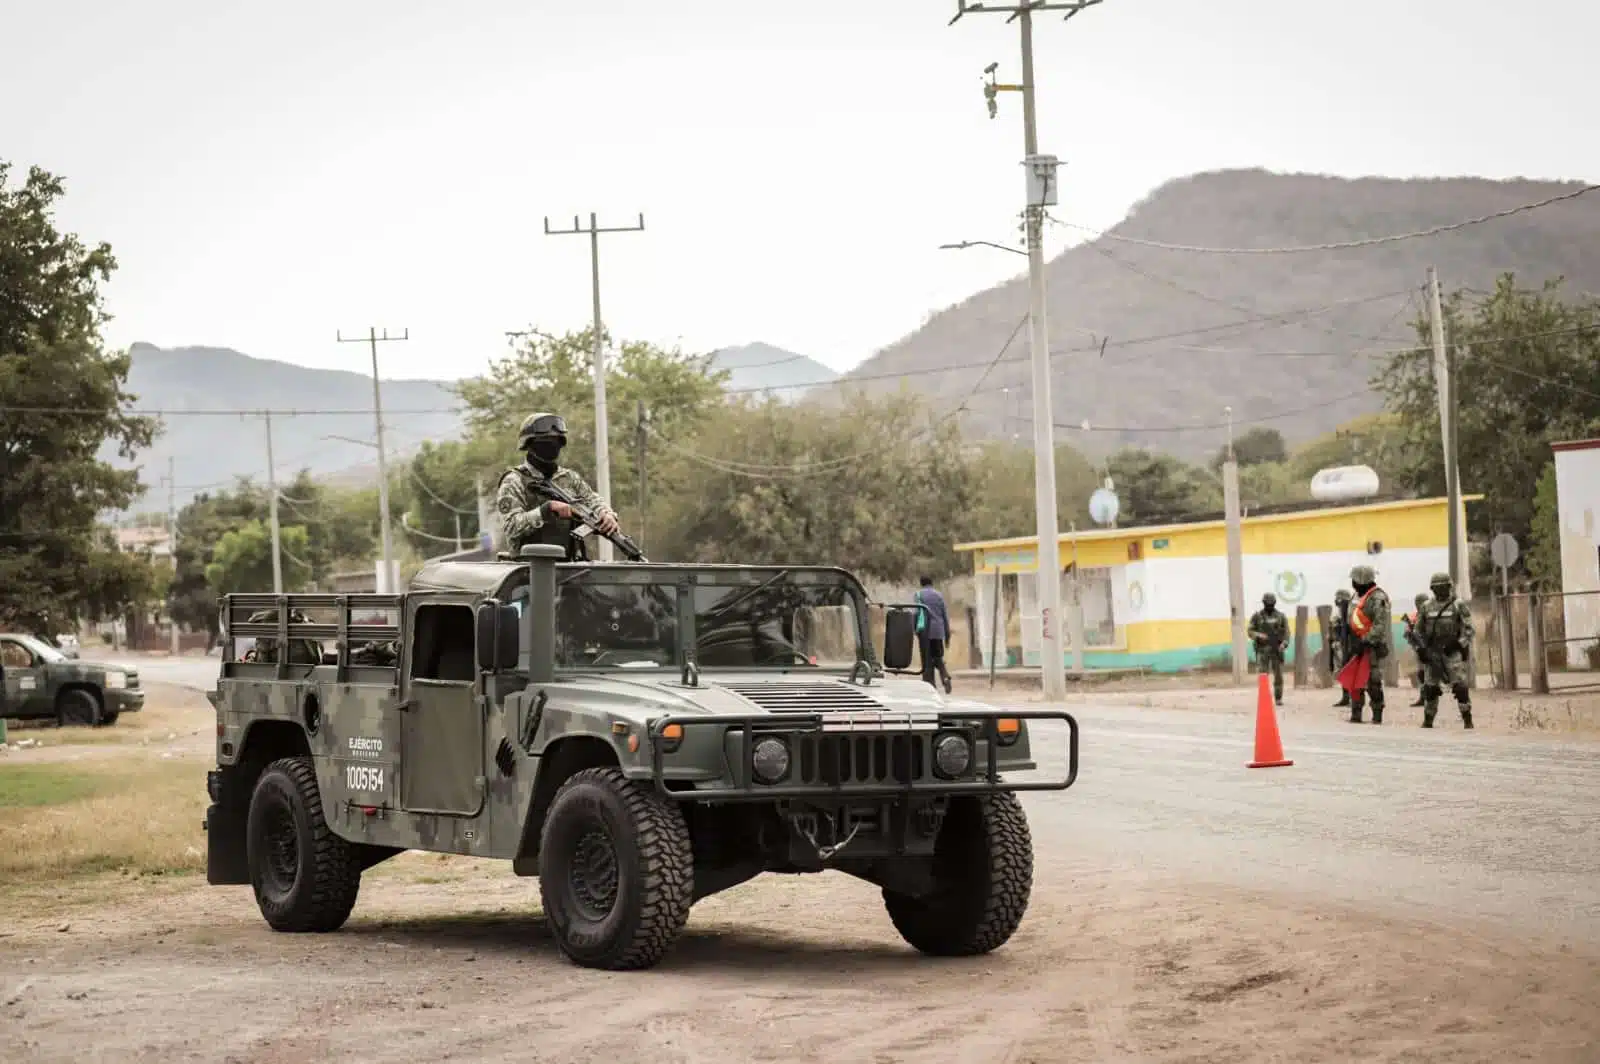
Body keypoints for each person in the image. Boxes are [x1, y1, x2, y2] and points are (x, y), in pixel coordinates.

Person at [496, 411, 622, 560]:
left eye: (556, 440)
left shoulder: (569, 478)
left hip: (570, 568)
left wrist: (606, 514)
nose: (552, 445)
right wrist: (545, 510)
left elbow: (592, 500)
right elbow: (511, 527)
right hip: (530, 570)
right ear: (529, 444)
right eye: (545, 441)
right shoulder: (514, 481)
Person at [1416, 571, 1474, 729]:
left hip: (1452, 652)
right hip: (1432, 651)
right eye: (1437, 588)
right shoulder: (1426, 607)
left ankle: (1467, 719)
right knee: (1430, 688)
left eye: (1444, 587)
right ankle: (1428, 719)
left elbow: (1469, 629)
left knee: (1460, 687)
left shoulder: (1458, 605)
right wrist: (1421, 649)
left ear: (1449, 587)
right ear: (1432, 589)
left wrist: (1458, 644)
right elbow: (1418, 631)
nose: (1441, 591)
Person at [1343, 564, 1391, 724]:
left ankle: (1377, 713)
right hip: (1355, 645)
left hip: (1371, 646)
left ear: (1362, 580)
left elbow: (1379, 625)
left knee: (1373, 681)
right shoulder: (1355, 596)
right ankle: (1356, 712)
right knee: (1354, 680)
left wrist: (1365, 641)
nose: (1353, 584)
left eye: (1355, 581)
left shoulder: (1377, 598)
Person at [1247, 592, 1289, 706]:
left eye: (1271, 603)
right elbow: (1250, 631)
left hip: (1277, 649)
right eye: (1267, 603)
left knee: (1278, 675)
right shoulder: (1257, 616)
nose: (1269, 605)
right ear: (1264, 603)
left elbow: (1286, 633)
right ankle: (1264, 697)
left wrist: (1283, 644)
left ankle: (1278, 698)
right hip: (1263, 650)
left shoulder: (1281, 616)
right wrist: (1259, 635)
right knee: (1263, 675)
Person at [913, 576, 953, 693]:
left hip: (924, 630)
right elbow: (945, 616)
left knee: (927, 660)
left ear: (921, 584)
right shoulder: (938, 595)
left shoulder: (919, 595)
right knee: (938, 657)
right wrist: (947, 634)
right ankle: (945, 675)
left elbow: (916, 612)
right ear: (932, 583)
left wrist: (914, 629)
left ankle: (930, 686)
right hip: (938, 631)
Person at [1402, 591, 1432, 707]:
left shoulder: (1431, 615)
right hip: (1419, 648)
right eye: (1418, 603)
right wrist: (1410, 631)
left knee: (1431, 674)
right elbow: (1406, 634)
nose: (1420, 605)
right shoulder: (1415, 616)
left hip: (1431, 647)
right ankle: (1423, 697)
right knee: (1421, 673)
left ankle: (1430, 699)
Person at [1330, 588, 1353, 708]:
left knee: (1350, 671)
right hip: (1340, 645)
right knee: (1341, 672)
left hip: (1349, 645)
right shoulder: (1338, 614)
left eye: (1340, 598)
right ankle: (1345, 697)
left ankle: (1353, 698)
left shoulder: (1351, 612)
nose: (1337, 601)